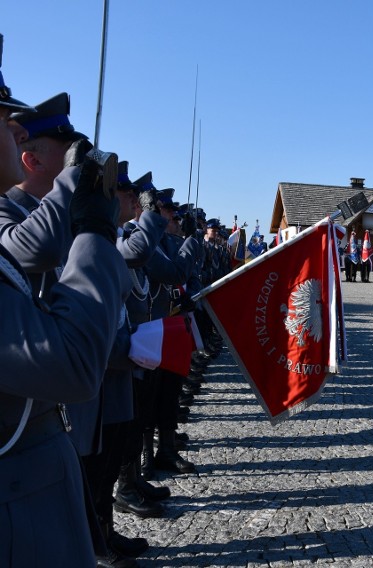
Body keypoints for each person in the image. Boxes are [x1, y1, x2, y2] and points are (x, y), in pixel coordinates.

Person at [0, 42, 130, 564]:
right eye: (5, 119)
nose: (14, 128)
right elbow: (72, 362)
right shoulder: (12, 213)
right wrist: (82, 198)